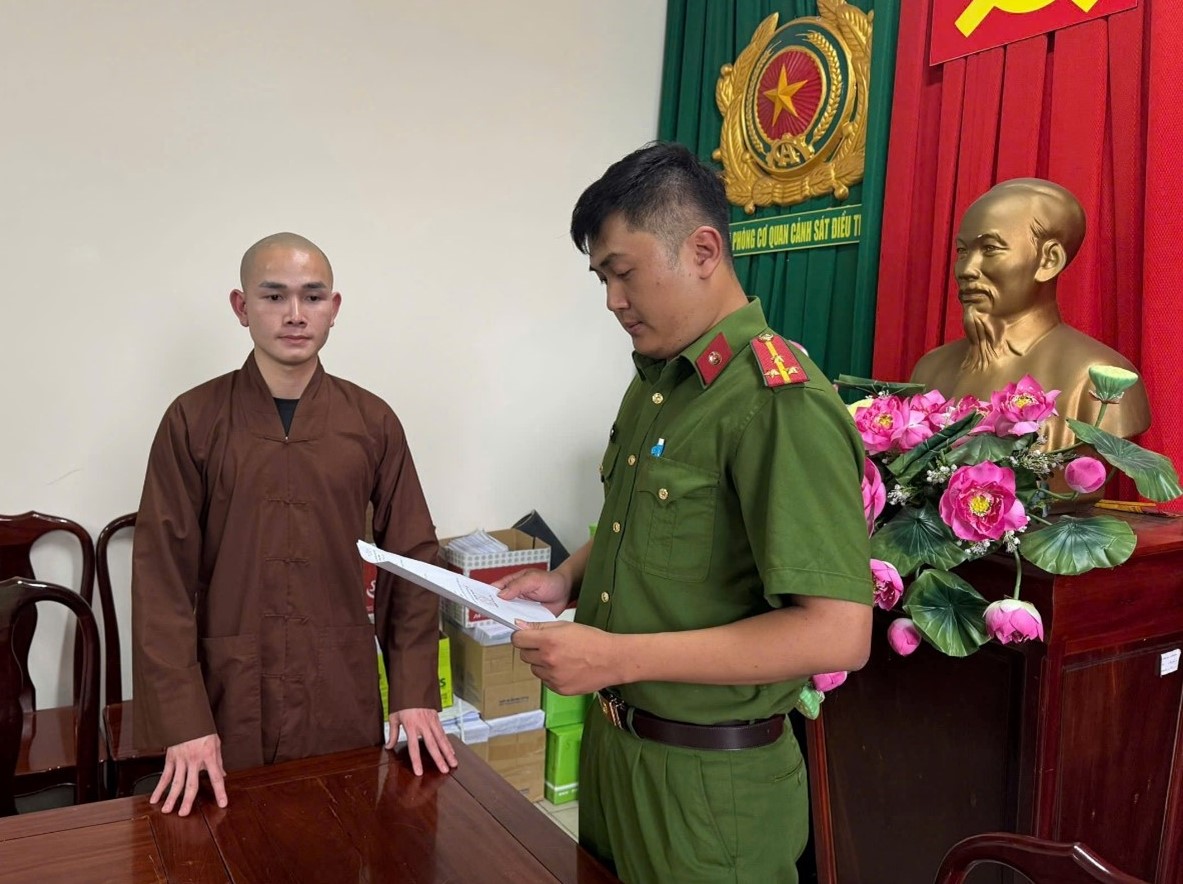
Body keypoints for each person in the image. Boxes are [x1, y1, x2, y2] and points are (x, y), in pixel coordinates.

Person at [495, 143, 873, 883]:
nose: (613, 300)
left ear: (703, 251)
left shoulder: (777, 402)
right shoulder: (661, 382)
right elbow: (642, 522)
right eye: (602, 279)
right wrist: (568, 579)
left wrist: (616, 658)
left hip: (710, 787)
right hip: (619, 753)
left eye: (624, 272)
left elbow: (837, 632)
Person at [132, 232, 457, 817]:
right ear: (241, 307)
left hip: (338, 684)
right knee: (222, 842)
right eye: (274, 296)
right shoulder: (194, 420)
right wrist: (183, 719)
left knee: (343, 832)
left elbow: (412, 556)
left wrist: (412, 691)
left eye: (312, 296)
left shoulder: (371, 422)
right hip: (225, 691)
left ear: (335, 308)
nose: (295, 315)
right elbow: (162, 577)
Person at [910, 178, 1151, 450]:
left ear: (1049, 260)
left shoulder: (1098, 381)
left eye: (990, 249)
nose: (966, 270)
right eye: (963, 251)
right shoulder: (930, 369)